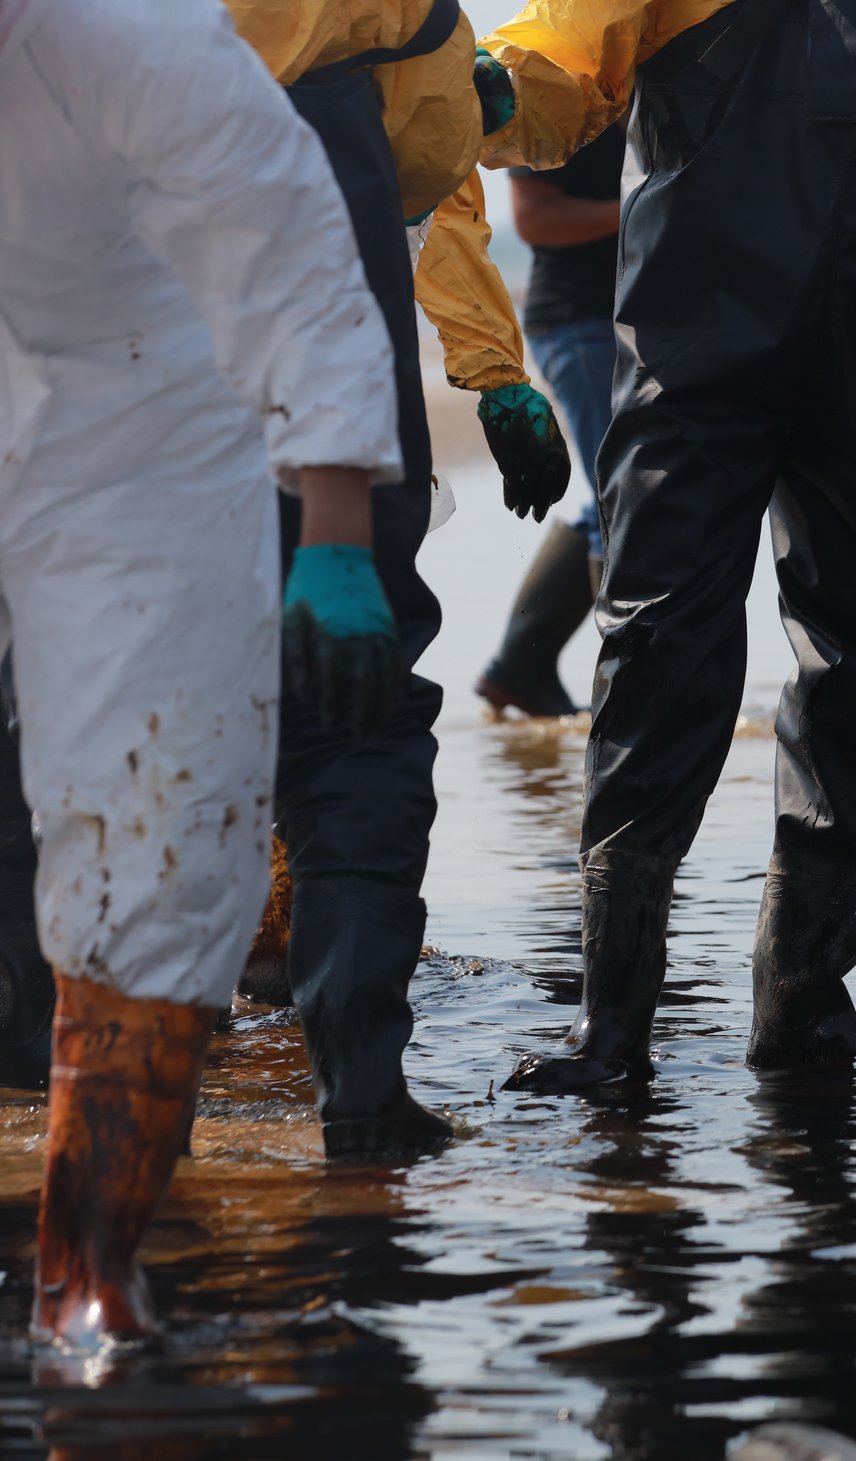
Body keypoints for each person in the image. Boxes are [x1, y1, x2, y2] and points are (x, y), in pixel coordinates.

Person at [476, 0, 856, 1091]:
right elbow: (572, 58)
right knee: (660, 644)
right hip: (696, 332)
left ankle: (806, 993)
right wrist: (501, 90)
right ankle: (612, 1028)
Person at [1, 0, 403, 1348]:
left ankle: (90, 1273)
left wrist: (336, 527)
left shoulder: (124, 34)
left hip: (139, 417)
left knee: (157, 834)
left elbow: (286, 239)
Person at [230, 0, 569, 1157]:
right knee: (354, 727)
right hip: (329, 372)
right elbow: (430, 159)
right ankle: (360, 1091)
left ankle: (56, 1088)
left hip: (83, 402)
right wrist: (489, 364)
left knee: (82, 728)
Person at [477, 122, 629, 720]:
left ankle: (518, 668)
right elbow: (534, 220)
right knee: (619, 499)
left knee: (610, 499)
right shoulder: (562, 83)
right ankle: (624, 698)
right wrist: (645, 202)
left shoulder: (669, 81)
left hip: (649, 320)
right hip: (577, 323)